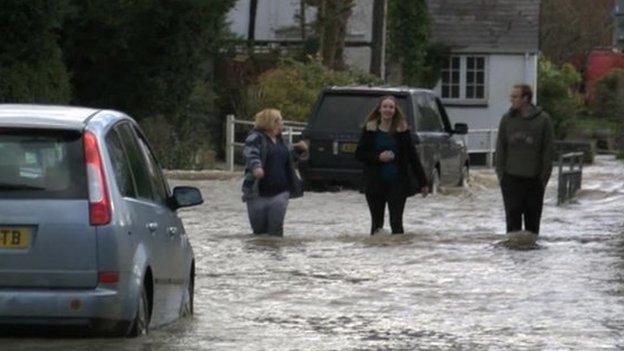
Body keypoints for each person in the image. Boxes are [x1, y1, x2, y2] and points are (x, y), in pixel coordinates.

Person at [355, 95, 429, 235]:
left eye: (391, 107)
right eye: (385, 107)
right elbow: (359, 154)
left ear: (395, 110)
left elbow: (413, 157)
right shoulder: (370, 129)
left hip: (398, 183)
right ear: (379, 109)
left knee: (396, 222)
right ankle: (377, 250)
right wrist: (378, 157)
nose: (388, 110)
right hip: (375, 183)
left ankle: (399, 254)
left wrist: (423, 182)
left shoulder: (403, 131)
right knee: (377, 224)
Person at [495, 84, 555, 235]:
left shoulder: (543, 120)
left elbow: (548, 151)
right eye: (512, 96)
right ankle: (512, 257)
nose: (511, 100)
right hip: (511, 179)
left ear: (526, 99)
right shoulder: (507, 119)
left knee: (532, 225)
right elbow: (501, 148)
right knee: (512, 225)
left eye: (515, 97)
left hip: (534, 180)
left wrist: (543, 179)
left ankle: (532, 257)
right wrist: (501, 176)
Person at [242, 108, 308, 236]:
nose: (283, 123)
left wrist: (300, 150)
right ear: (273, 122)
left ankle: (275, 253)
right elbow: (251, 154)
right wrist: (256, 167)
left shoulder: (282, 141)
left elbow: (288, 158)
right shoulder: (255, 138)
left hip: (280, 193)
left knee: (275, 231)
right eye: (281, 120)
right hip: (257, 193)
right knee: (259, 232)